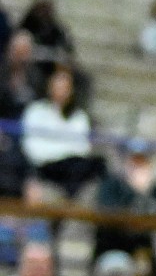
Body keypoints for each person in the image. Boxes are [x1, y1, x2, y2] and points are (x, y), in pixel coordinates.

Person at [92, 137, 156, 276]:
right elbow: (107, 212)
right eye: (134, 160)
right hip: (112, 247)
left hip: (143, 249)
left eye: (142, 160)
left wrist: (145, 195)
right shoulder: (112, 184)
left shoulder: (155, 189)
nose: (138, 165)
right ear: (125, 161)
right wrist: (135, 193)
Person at [20, 68, 106, 200]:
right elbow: (31, 146)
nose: (61, 91)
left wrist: (62, 151)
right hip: (46, 166)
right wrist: (60, 152)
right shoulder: (36, 111)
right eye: (58, 86)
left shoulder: (79, 116)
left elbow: (82, 148)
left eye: (65, 87)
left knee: (99, 164)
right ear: (49, 87)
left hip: (72, 166)